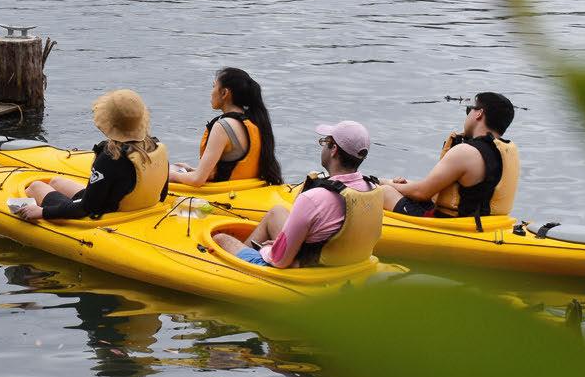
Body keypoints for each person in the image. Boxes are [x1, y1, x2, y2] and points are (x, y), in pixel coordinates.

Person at [213, 121, 381, 269]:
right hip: (342, 262)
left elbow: (279, 261)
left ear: (334, 150)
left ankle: (242, 269)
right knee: (277, 212)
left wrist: (267, 249)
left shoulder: (313, 198)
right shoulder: (373, 189)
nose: (322, 146)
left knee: (221, 239)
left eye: (325, 142)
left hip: (306, 271)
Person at [14, 89, 170, 220]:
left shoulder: (110, 157)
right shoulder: (154, 146)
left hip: (104, 214)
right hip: (133, 207)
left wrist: (43, 212)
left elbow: (85, 208)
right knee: (55, 182)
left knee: (35, 187)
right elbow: (162, 195)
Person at [379, 92, 518, 218]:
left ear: (479, 114)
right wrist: (397, 184)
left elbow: (421, 193)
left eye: (469, 109)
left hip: (451, 226)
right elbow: (430, 190)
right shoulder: (504, 152)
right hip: (486, 225)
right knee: (393, 187)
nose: (467, 114)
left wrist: (384, 183)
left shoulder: (466, 152)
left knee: (384, 192)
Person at [168, 67, 283, 187]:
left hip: (227, 194)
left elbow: (197, 180)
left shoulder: (223, 127)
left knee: (169, 170)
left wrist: (171, 175)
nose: (211, 92)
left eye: (213, 86)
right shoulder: (255, 122)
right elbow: (227, 169)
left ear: (224, 93)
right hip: (247, 189)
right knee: (179, 168)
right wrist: (191, 169)